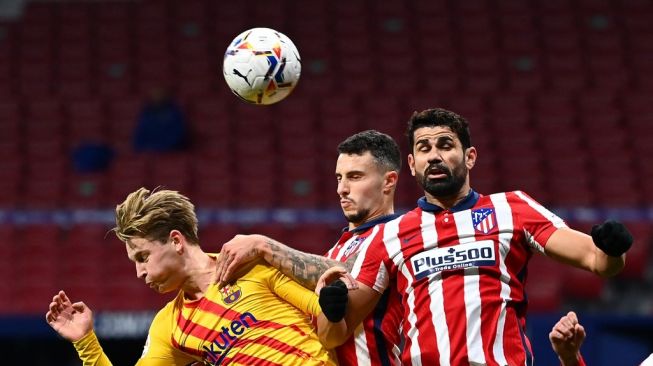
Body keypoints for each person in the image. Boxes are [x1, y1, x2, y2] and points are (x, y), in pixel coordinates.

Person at [316, 108, 634, 365]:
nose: (434, 156)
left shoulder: (513, 208)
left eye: (445, 145)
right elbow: (336, 333)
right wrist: (332, 308)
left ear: (469, 157)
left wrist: (612, 249)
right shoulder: (392, 233)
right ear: (412, 164)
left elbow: (597, 261)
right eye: (424, 148)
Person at [45, 187, 335, 365]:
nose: (139, 272)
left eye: (143, 257)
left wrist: (264, 244)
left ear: (176, 241)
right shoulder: (169, 326)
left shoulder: (251, 266)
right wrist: (85, 341)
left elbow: (330, 313)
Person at [215, 130, 404, 365]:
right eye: (339, 178)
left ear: (388, 181)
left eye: (355, 177)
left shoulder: (395, 236)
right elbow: (329, 336)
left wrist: (261, 244)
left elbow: (348, 275)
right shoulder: (337, 250)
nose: (341, 189)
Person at [133, 87, 188, 152]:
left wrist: (160, 148)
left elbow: (177, 136)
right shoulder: (146, 114)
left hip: (169, 152)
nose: (157, 97)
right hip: (149, 152)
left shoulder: (175, 114)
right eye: (155, 95)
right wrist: (147, 148)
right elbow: (139, 137)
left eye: (159, 95)